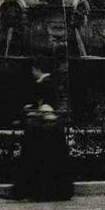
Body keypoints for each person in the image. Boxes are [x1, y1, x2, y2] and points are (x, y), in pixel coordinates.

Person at [12, 70, 73, 201]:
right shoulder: (50, 82)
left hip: (46, 129)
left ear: (37, 68)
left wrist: (35, 112)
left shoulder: (46, 83)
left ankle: (35, 191)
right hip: (50, 130)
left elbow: (47, 109)